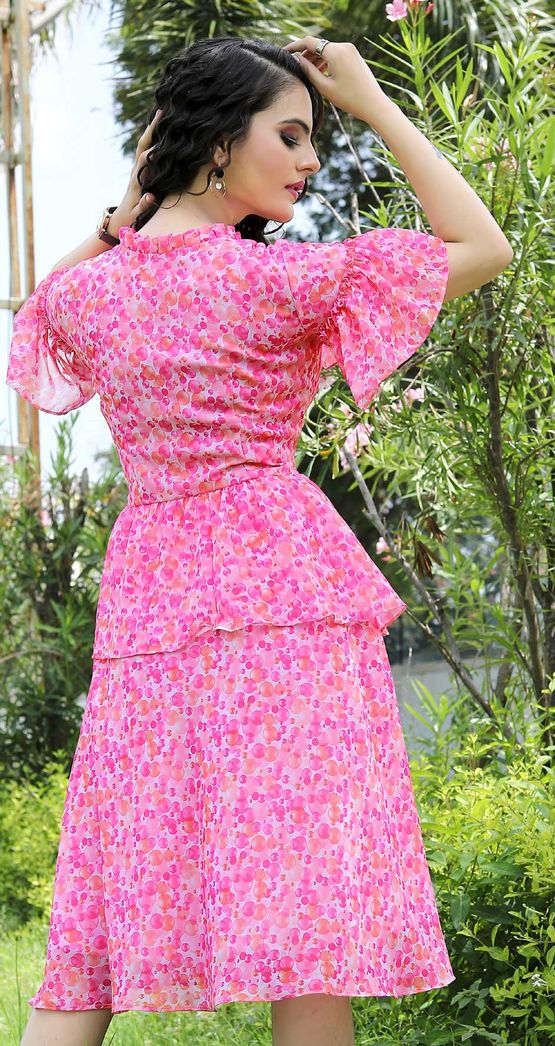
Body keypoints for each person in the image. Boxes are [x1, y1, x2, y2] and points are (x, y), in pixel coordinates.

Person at [8, 32, 512, 1046]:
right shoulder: (281, 283)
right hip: (285, 594)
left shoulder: (91, 290)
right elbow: (484, 245)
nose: (309, 159)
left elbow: (42, 323)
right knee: (308, 898)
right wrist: (373, 103)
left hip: (152, 597)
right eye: (289, 135)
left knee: (103, 883)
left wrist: (131, 206)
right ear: (216, 141)